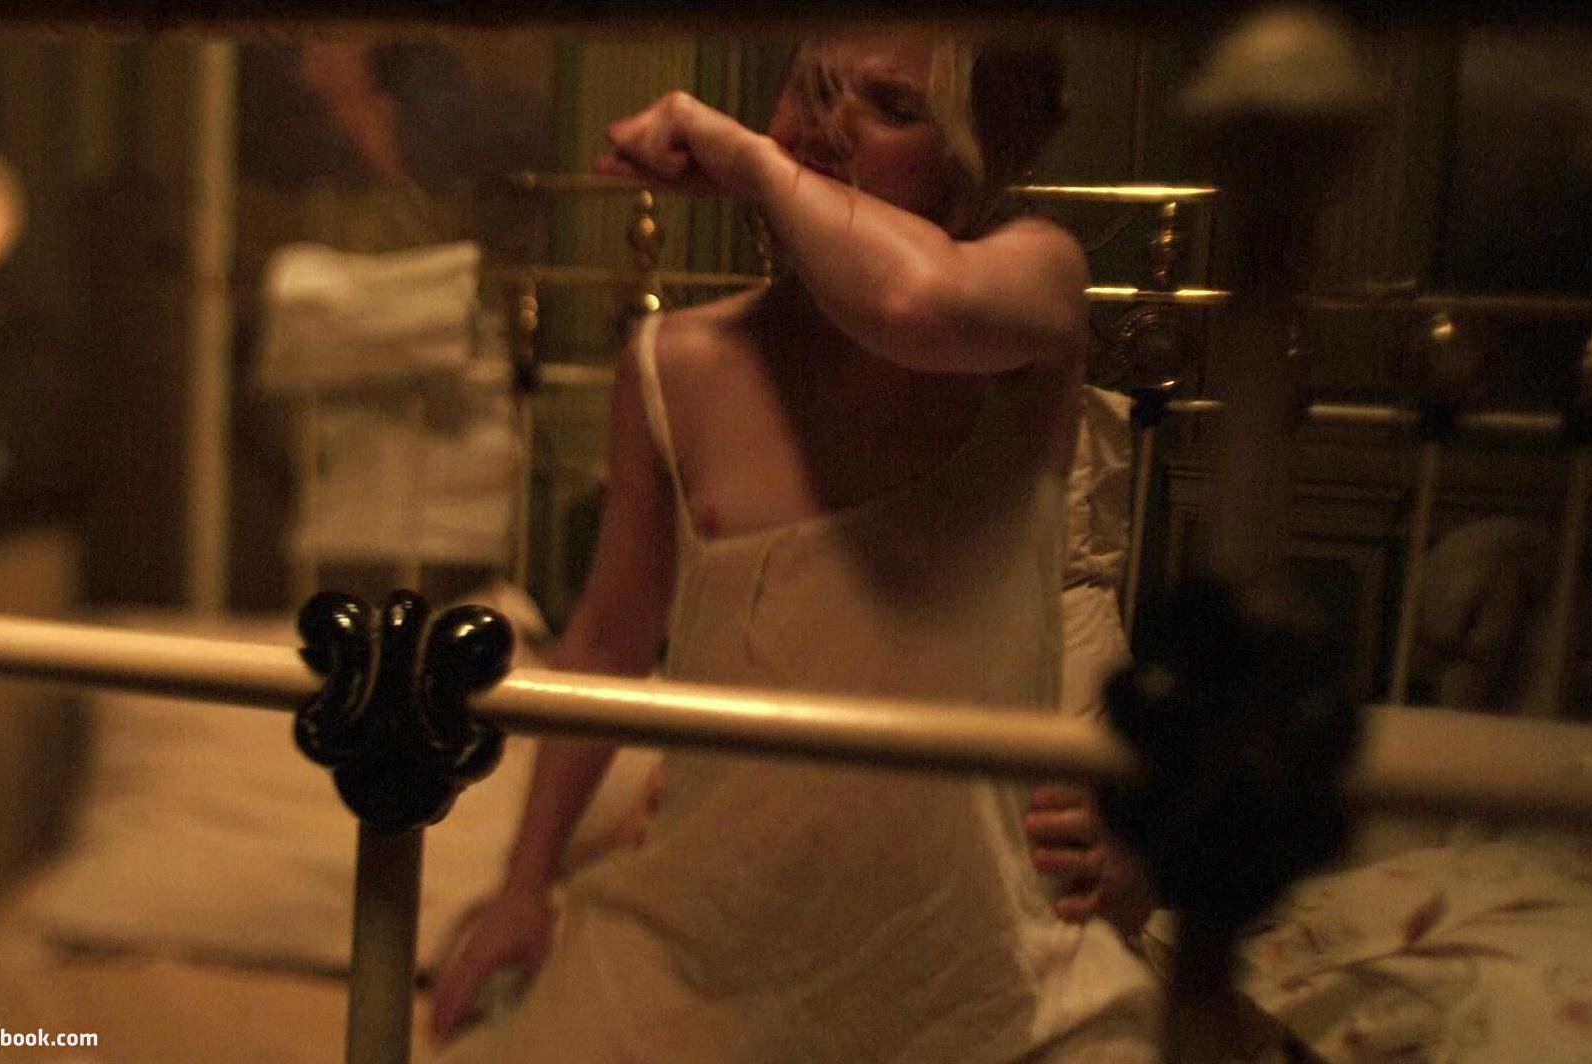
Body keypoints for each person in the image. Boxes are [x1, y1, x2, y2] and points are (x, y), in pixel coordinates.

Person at [429, 34, 1157, 1063]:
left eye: (890, 108)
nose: (826, 126)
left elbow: (916, 304)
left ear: (987, 155)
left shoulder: (1035, 278)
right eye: (808, 90)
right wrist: (522, 886)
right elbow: (607, 639)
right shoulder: (676, 362)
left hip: (972, 961)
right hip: (699, 941)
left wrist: (750, 161)